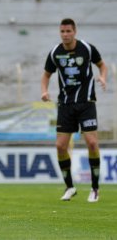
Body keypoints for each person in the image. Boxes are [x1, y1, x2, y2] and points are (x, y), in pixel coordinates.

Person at [41, 18, 107, 202]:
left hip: (86, 103)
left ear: (75, 31)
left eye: (68, 31)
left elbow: (102, 65)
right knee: (60, 146)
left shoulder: (86, 48)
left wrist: (102, 77)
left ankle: (95, 188)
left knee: (92, 144)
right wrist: (44, 91)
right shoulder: (55, 52)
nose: (65, 35)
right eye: (62, 31)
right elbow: (46, 75)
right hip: (65, 104)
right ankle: (70, 187)